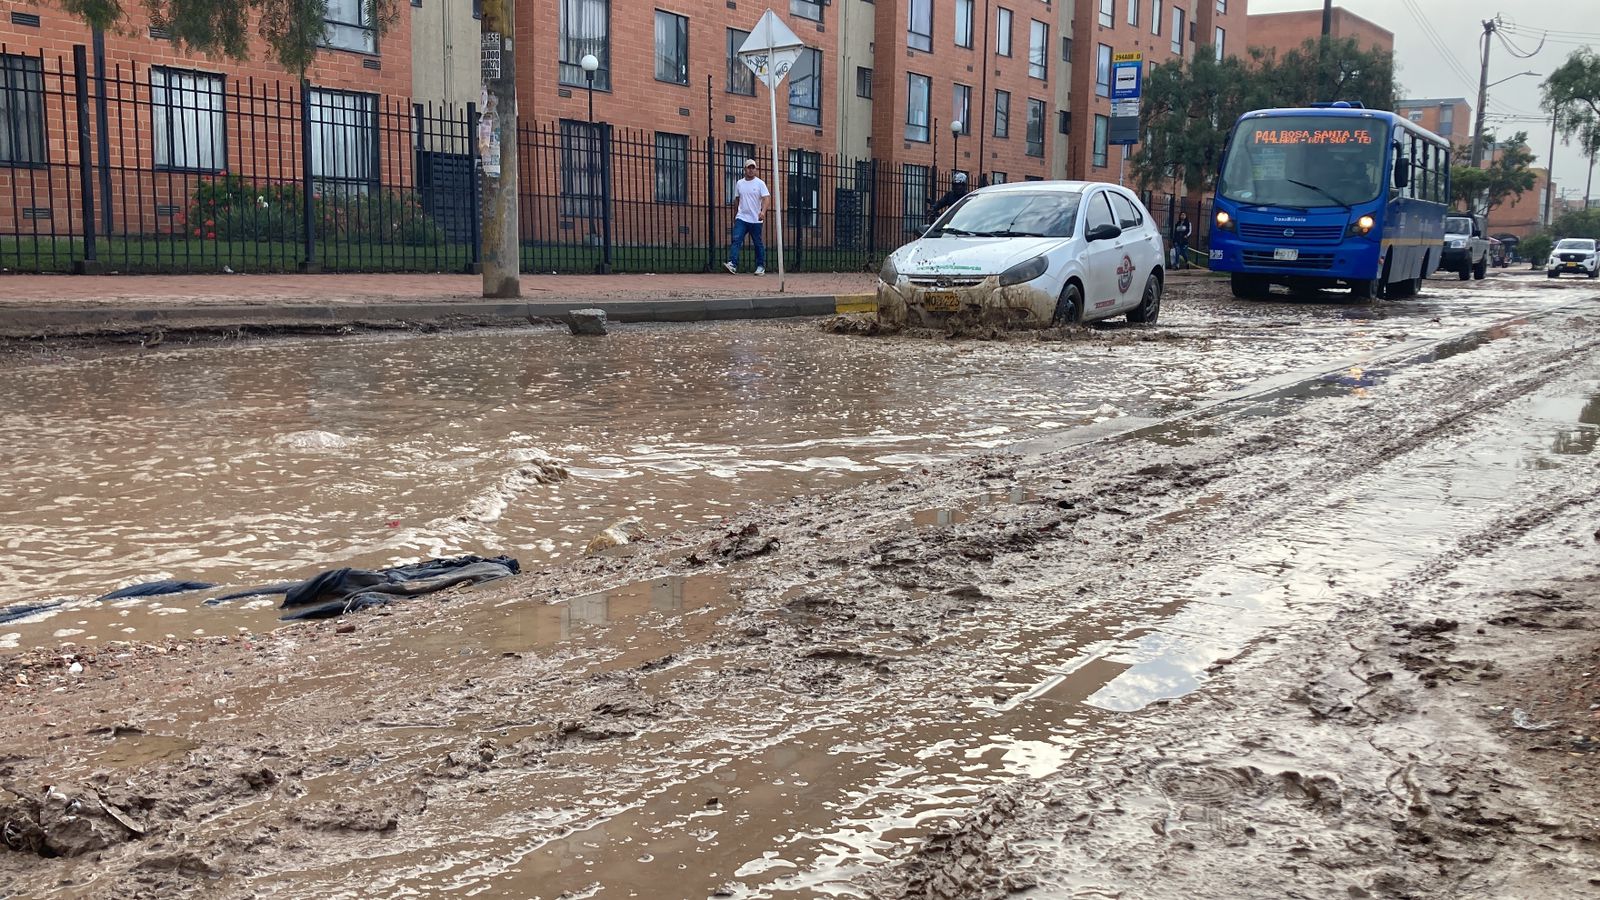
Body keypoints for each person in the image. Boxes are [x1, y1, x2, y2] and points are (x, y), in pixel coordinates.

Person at [726, 159, 771, 275]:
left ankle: (760, 266)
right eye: (748, 168)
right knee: (736, 239)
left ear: (755, 170)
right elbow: (737, 199)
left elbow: (766, 198)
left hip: (755, 219)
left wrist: (763, 212)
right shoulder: (739, 183)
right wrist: (735, 214)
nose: (751, 170)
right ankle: (733, 263)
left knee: (757, 243)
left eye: (753, 168)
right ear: (745, 169)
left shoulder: (760, 183)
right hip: (742, 217)